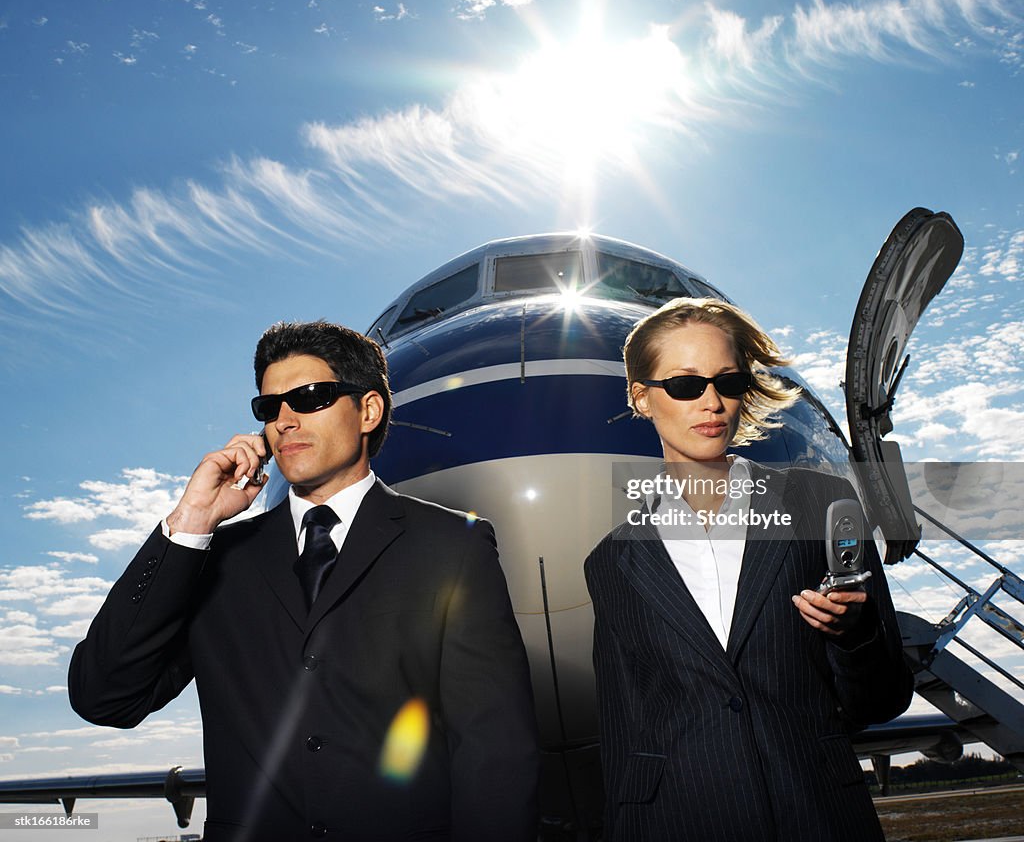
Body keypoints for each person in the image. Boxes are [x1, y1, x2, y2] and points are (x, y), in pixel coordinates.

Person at [69, 320, 539, 842]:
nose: (284, 421)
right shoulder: (213, 559)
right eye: (269, 408)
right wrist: (190, 522)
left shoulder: (452, 546)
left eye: (310, 397)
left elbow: (493, 751)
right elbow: (103, 697)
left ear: (368, 410)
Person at [585, 298, 913, 842]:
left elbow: (882, 700)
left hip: (818, 818)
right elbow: (626, 733)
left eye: (728, 382)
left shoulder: (822, 505)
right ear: (641, 397)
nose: (712, 402)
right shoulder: (613, 562)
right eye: (686, 385)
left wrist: (855, 636)